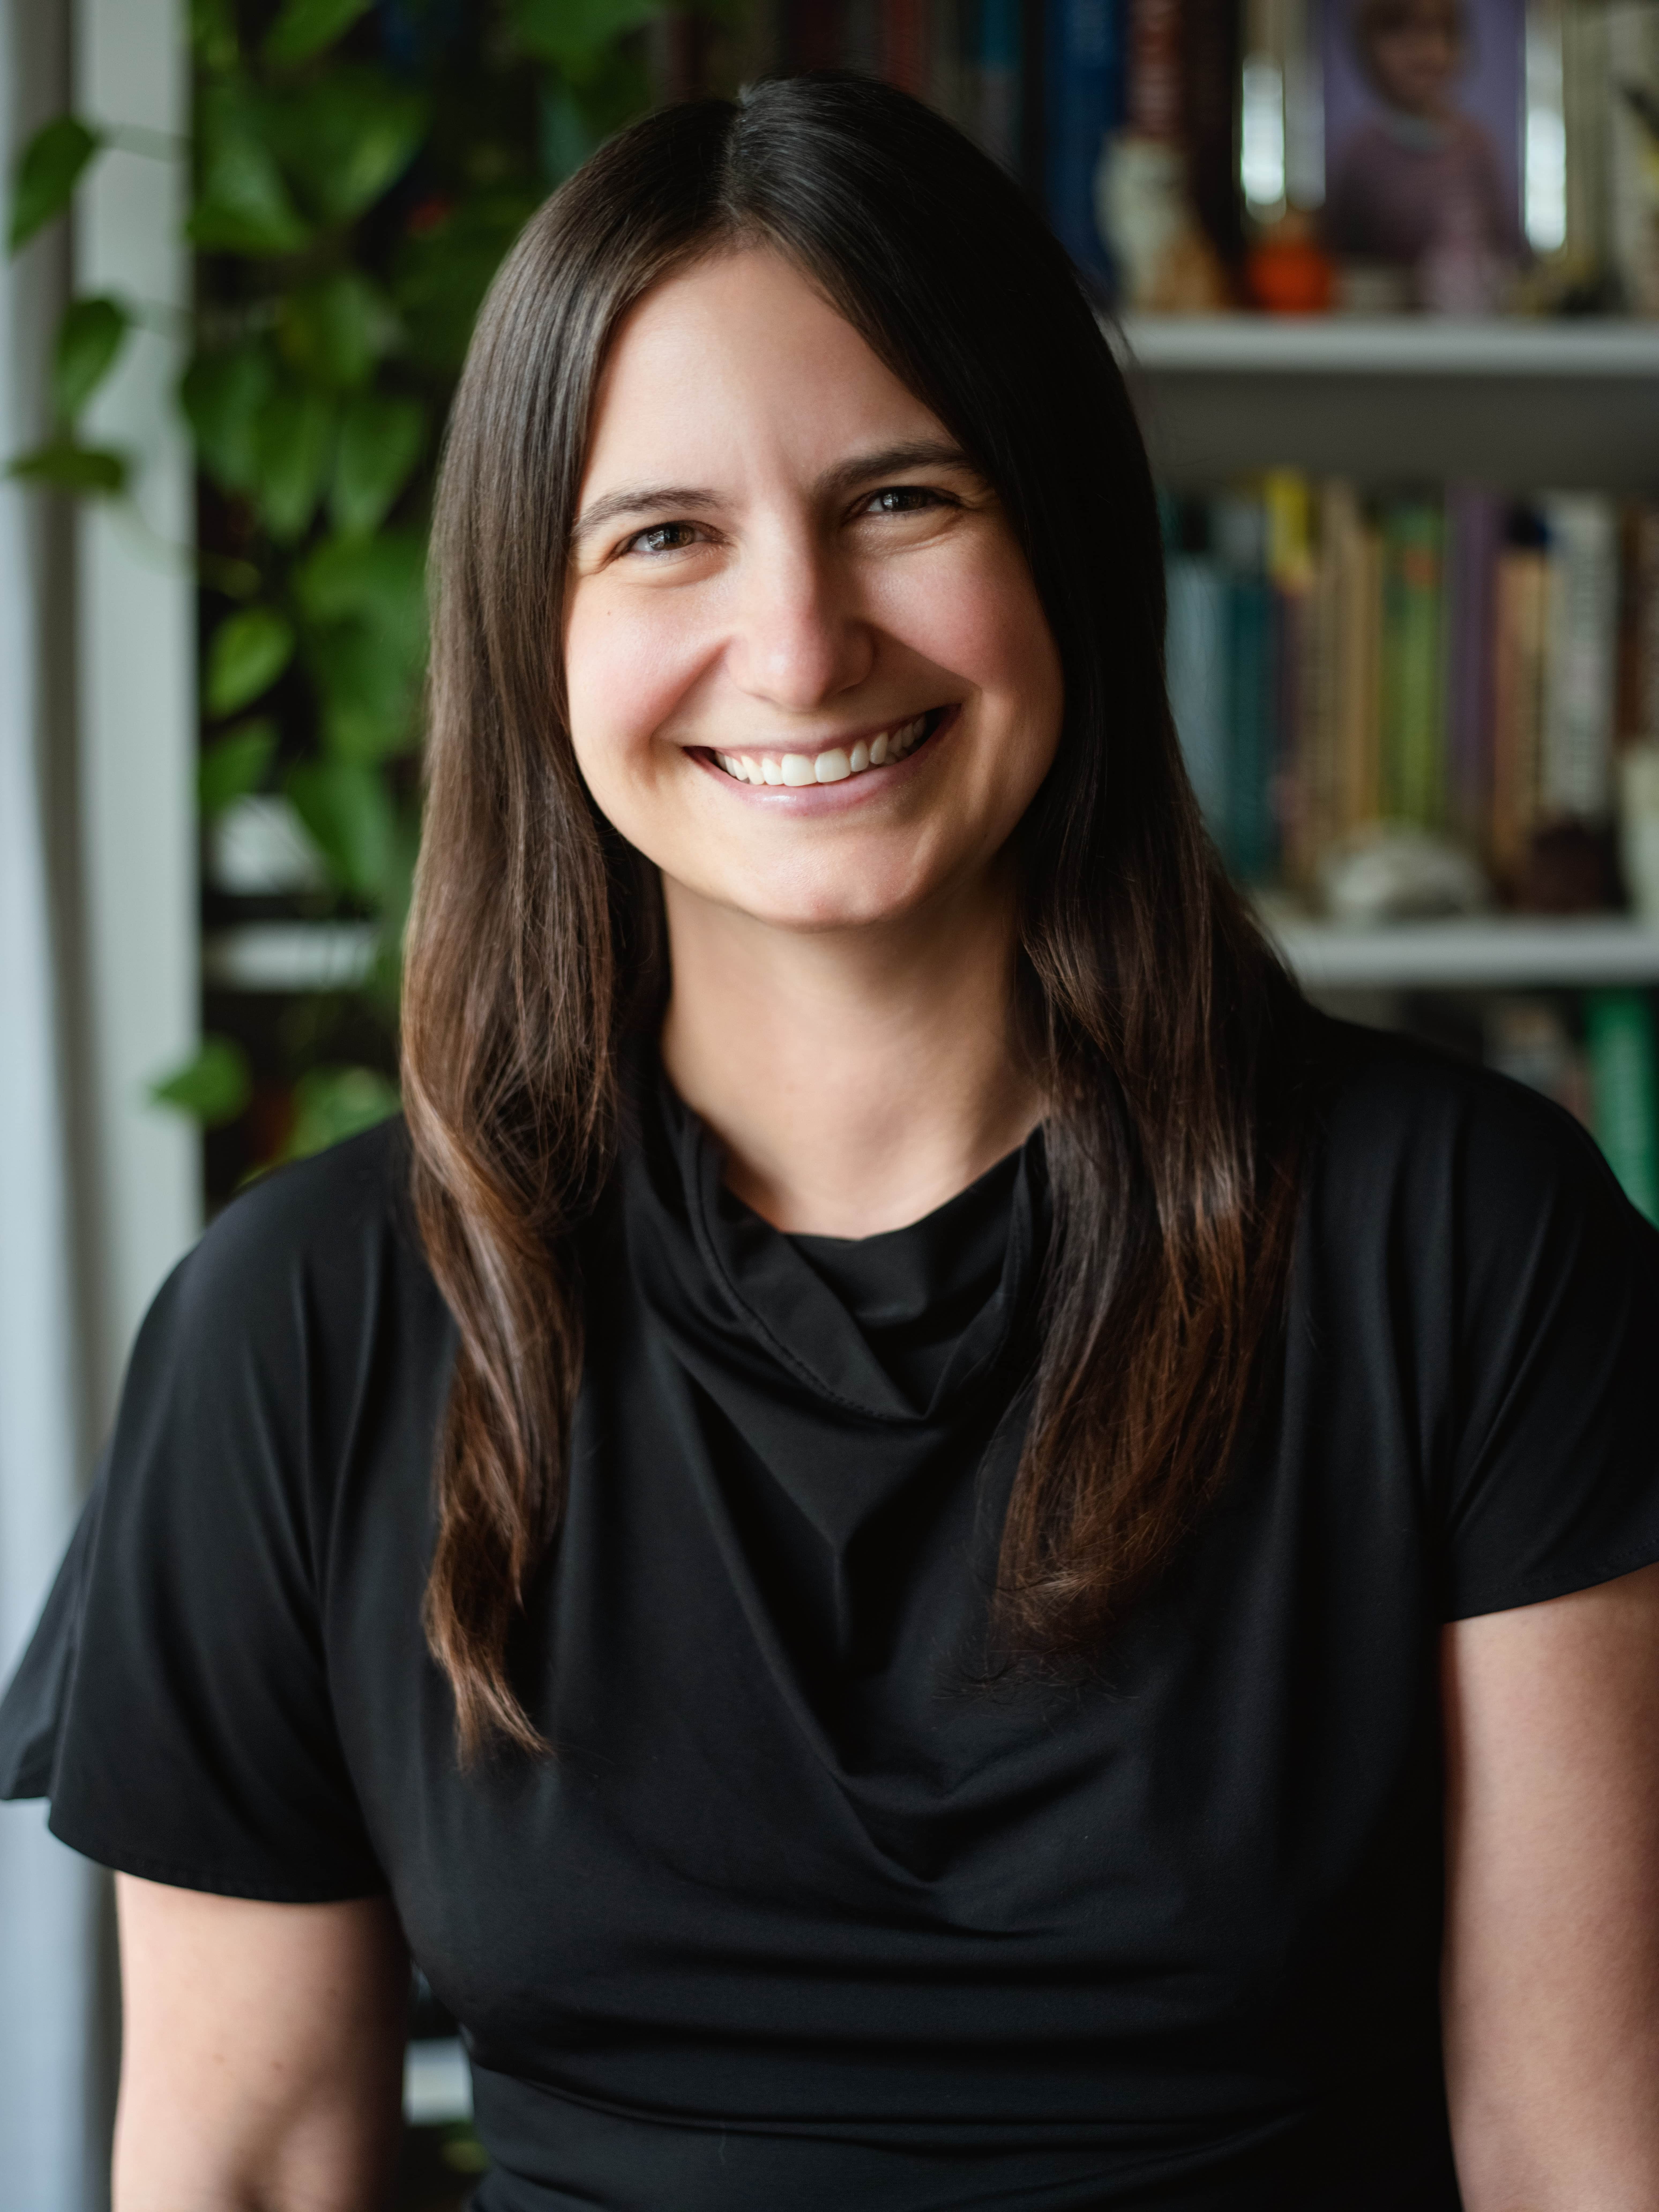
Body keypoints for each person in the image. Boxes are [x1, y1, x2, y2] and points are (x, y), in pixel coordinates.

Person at [5, 72, 1659, 2212]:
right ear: (539, 623)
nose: (797, 645)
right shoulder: (301, 1325)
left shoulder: (1464, 1245)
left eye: (903, 500)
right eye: (665, 532)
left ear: (1061, 536)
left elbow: (1582, 2158)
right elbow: (242, 2167)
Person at [1324, 0, 1522, 288]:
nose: (1420, 48)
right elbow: (1343, 270)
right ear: (1368, 51)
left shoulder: (1479, 148)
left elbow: (1508, 253)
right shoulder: (1361, 157)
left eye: (1437, 30)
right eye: (1398, 31)